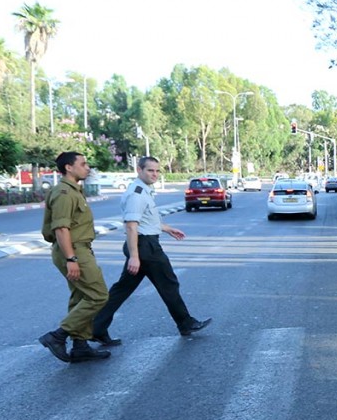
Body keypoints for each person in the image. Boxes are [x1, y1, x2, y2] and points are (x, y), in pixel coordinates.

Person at [92, 157, 211, 342]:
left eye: (157, 171)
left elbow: (147, 220)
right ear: (139, 170)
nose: (154, 174)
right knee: (169, 283)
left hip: (143, 245)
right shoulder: (137, 194)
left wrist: (168, 228)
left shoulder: (144, 190)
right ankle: (185, 322)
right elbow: (132, 226)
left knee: (121, 290)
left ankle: (96, 328)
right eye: (150, 170)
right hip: (145, 247)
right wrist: (134, 256)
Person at [38, 152, 111, 363]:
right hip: (73, 250)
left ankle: (80, 346)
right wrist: (71, 259)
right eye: (83, 164)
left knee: (81, 296)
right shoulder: (64, 192)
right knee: (98, 295)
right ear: (69, 168)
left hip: (79, 249)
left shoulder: (74, 191)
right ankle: (57, 336)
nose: (87, 168)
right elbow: (61, 228)